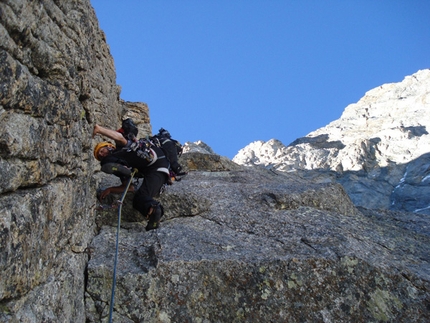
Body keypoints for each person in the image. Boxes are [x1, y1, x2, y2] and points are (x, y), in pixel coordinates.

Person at [93, 124, 169, 231]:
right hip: (158, 170)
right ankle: (155, 212)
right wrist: (110, 189)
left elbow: (118, 137)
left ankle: (118, 166)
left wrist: (99, 129)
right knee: (140, 199)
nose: (102, 155)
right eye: (100, 156)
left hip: (148, 157)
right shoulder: (120, 168)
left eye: (102, 151)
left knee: (107, 162)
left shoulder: (120, 148)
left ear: (109, 146)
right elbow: (130, 188)